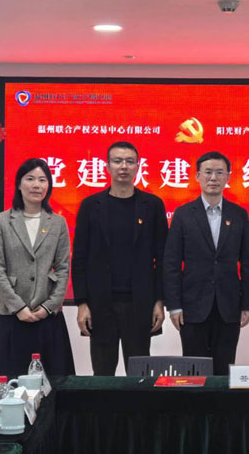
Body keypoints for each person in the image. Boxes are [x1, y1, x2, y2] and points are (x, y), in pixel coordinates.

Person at [71, 141, 168, 375]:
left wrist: (159, 301)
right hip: (100, 303)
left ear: (138, 166)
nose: (123, 166)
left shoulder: (153, 205)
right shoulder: (90, 206)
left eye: (129, 161)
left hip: (140, 303)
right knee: (102, 374)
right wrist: (82, 304)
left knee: (140, 374)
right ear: (107, 166)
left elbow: (163, 259)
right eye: (117, 161)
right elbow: (79, 258)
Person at [164, 152, 249, 375]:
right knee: (194, 371)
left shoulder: (239, 214)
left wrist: (247, 303)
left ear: (228, 177)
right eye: (208, 172)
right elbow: (172, 263)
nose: (213, 178)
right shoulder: (183, 215)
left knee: (224, 370)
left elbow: (248, 261)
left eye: (219, 172)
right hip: (192, 306)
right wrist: (174, 305)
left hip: (229, 305)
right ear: (197, 176)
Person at [0, 158, 75, 376]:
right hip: (10, 315)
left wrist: (49, 307)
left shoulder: (57, 223)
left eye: (42, 180)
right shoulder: (2, 221)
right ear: (19, 184)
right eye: (30, 179)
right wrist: (18, 307)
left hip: (47, 316)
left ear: (48, 185)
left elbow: (63, 268)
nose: (36, 185)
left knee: (53, 382)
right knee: (9, 381)